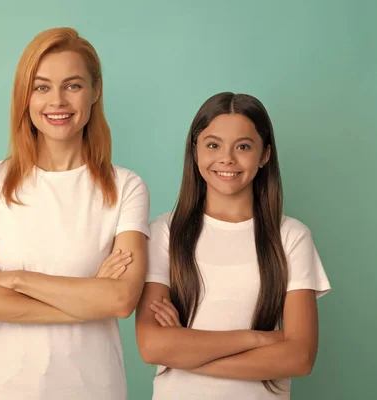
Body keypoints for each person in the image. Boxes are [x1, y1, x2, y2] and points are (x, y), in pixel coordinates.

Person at [0, 27, 149, 400]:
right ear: (25, 95)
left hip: (95, 388)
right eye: (41, 87)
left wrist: (16, 279)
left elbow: (121, 300)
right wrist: (87, 299)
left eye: (72, 85)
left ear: (96, 90)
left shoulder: (126, 187)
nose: (57, 101)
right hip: (5, 388)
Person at [135, 92, 331, 399]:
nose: (227, 158)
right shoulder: (165, 233)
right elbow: (152, 346)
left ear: (265, 154)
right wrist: (258, 340)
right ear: (195, 151)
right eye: (213, 145)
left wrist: (184, 350)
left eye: (243, 146)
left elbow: (299, 357)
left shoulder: (291, 237)